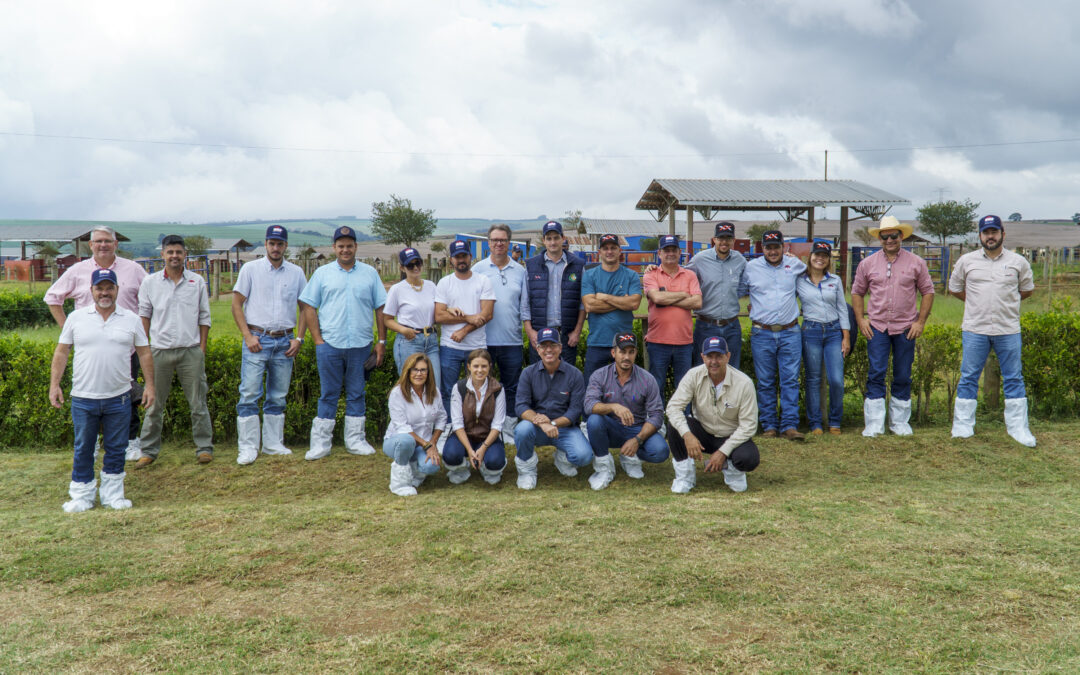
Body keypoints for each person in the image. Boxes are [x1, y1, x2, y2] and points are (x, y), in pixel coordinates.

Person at [49, 269, 155, 511]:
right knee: (84, 446)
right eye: (100, 288)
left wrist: (149, 385)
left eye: (109, 288)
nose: (104, 293)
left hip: (119, 398)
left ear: (117, 290)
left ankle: (113, 495)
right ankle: (81, 495)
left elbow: (144, 352)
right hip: (84, 398)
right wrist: (54, 384)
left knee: (117, 447)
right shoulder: (76, 318)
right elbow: (62, 351)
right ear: (91, 291)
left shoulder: (131, 319)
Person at [44, 225, 148, 460]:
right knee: (90, 396)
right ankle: (92, 442)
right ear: (90, 245)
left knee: (127, 396)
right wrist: (68, 330)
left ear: (116, 244)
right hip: (88, 349)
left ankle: (131, 441)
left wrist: (143, 332)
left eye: (107, 241)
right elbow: (52, 297)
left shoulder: (133, 269)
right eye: (98, 241)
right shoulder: (77, 271)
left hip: (125, 346)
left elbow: (151, 298)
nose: (103, 245)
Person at [299, 225, 387, 460]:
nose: (345, 250)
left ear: (356, 247)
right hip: (330, 344)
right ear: (334, 248)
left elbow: (380, 308)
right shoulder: (322, 274)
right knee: (328, 393)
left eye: (349, 246)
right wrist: (317, 340)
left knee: (357, 393)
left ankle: (356, 440)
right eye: (341, 246)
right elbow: (308, 306)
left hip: (361, 345)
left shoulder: (370, 274)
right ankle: (320, 444)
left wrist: (381, 341)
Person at [948, 215, 1037, 446]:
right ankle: (962, 426)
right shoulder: (967, 261)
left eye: (994, 232)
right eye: (986, 232)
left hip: (1008, 329)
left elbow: (1026, 290)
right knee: (968, 377)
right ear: (980, 235)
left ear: (1002, 234)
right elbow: (955, 288)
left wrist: (1005, 303)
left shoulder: (1018, 262)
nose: (990, 236)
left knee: (1014, 377)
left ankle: (1018, 428)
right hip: (975, 329)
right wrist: (976, 303)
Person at [133, 235, 213, 467]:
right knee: (154, 404)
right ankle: (148, 451)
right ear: (163, 255)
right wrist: (144, 348)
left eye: (178, 252)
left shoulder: (196, 282)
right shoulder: (151, 282)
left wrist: (202, 348)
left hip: (190, 351)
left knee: (198, 402)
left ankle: (204, 448)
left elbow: (204, 316)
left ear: (185, 254)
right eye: (170, 252)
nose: (174, 256)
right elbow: (144, 315)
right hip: (159, 351)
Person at [231, 224, 308, 465]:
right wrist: (247, 336)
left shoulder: (296, 273)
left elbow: (305, 307)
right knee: (250, 393)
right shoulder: (250, 269)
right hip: (257, 339)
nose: (276, 248)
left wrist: (299, 338)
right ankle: (248, 447)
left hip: (285, 341)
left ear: (286, 246)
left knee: (278, 396)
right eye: (272, 243)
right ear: (265, 244)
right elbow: (236, 304)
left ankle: (273, 444)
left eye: (280, 244)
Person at [851, 216, 934, 437]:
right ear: (879, 238)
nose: (889, 239)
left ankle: (899, 423)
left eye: (893, 235)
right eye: (885, 236)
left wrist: (920, 322)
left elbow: (928, 292)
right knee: (876, 372)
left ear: (901, 236)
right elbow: (857, 292)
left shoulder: (916, 262)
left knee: (903, 374)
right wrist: (861, 319)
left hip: (906, 327)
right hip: (877, 326)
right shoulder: (867, 264)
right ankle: (875, 424)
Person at [665, 336, 760, 494]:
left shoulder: (744, 383)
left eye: (719, 356)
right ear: (702, 357)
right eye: (709, 357)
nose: (714, 362)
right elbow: (673, 407)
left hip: (730, 435)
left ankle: (731, 470)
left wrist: (723, 452)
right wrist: (687, 435)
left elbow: (749, 426)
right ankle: (685, 476)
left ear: (728, 356)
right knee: (675, 426)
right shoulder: (693, 375)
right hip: (703, 432)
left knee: (749, 458)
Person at [738, 230, 806, 441]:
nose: (773, 251)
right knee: (765, 381)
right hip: (762, 332)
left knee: (790, 380)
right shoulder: (751, 268)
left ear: (784, 247)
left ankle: (789, 425)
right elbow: (739, 290)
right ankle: (769, 425)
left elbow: (813, 277)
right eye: (768, 247)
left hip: (790, 331)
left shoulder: (796, 265)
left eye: (776, 246)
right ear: (762, 248)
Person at [583, 332, 667, 490]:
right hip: (610, 428)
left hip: (637, 428)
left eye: (631, 352)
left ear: (636, 353)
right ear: (613, 353)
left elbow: (657, 415)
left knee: (660, 452)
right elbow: (589, 405)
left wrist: (637, 440)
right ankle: (603, 469)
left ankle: (630, 456)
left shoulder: (647, 379)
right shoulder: (599, 375)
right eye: (622, 352)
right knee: (594, 420)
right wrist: (613, 406)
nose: (626, 357)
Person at [513, 328, 592, 489]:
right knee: (522, 430)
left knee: (584, 457)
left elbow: (575, 410)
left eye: (553, 345)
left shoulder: (575, 374)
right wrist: (542, 423)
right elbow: (521, 406)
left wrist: (553, 424)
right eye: (544, 346)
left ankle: (562, 457)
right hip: (535, 427)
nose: (549, 350)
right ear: (537, 348)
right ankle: (526, 470)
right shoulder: (528, 373)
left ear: (560, 348)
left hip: (564, 428)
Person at [473, 224, 526, 441]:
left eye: (503, 240)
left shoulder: (520, 271)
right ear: (488, 243)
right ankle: (485, 429)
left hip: (512, 340)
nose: (499, 244)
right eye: (495, 240)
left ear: (509, 243)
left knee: (511, 387)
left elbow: (525, 306)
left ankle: (509, 431)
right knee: (483, 388)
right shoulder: (478, 270)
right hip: (483, 340)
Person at [434, 240, 495, 421]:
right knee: (448, 391)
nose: (461, 260)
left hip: (477, 347)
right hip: (449, 347)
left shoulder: (483, 281)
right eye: (457, 256)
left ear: (470, 257)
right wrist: (469, 317)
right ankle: (449, 427)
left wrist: (464, 331)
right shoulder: (444, 283)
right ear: (451, 259)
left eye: (464, 256)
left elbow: (487, 314)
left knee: (479, 390)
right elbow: (439, 316)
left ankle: (478, 427)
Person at [796, 241, 851, 435]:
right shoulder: (799, 280)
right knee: (813, 379)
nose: (820, 258)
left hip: (834, 332)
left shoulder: (834, 280)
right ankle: (815, 423)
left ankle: (835, 421)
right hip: (811, 330)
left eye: (824, 256)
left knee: (836, 379)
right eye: (817, 254)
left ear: (828, 260)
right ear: (810, 257)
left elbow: (842, 309)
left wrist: (846, 336)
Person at [642, 234, 702, 393]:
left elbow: (697, 302)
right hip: (657, 341)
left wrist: (666, 298)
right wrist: (683, 294)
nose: (670, 253)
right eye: (666, 250)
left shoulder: (690, 275)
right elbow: (656, 297)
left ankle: (684, 417)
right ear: (659, 253)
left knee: (684, 386)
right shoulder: (651, 274)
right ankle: (657, 418)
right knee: (657, 385)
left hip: (684, 342)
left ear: (679, 252)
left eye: (673, 250)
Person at [520, 220, 585, 364]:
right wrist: (530, 332)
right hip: (540, 335)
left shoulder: (578, 265)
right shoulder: (531, 266)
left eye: (556, 237)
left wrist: (577, 331)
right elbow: (525, 303)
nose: (553, 242)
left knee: (566, 379)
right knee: (539, 379)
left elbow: (582, 303)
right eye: (548, 238)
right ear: (543, 241)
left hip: (566, 336)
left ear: (563, 238)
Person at [581, 233, 642, 383]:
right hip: (597, 342)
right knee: (592, 388)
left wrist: (604, 297)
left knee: (625, 387)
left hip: (624, 344)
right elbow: (589, 305)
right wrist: (622, 301)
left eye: (613, 248)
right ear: (599, 252)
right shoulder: (589, 275)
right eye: (605, 248)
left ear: (619, 251)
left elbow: (634, 304)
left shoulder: (631, 275)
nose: (609, 251)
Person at [383, 353, 446, 496]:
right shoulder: (397, 393)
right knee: (407, 440)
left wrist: (433, 443)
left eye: (423, 370)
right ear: (408, 371)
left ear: (428, 372)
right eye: (415, 369)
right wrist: (427, 445)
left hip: (423, 443)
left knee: (432, 466)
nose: (419, 373)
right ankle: (399, 484)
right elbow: (402, 427)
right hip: (398, 442)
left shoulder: (434, 391)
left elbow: (442, 418)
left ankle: (414, 474)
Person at [687, 221, 747, 369]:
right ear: (714, 239)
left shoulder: (740, 260)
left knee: (732, 370)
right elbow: (683, 278)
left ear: (734, 240)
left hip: (732, 325)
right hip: (706, 325)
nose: (724, 242)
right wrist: (655, 269)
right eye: (721, 238)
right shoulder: (699, 259)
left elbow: (743, 286)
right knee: (702, 370)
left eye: (728, 238)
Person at [445, 349, 508, 485]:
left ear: (490, 367)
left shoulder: (498, 389)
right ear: (468, 366)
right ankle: (461, 469)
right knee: (451, 455)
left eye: (484, 366)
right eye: (476, 366)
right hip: (464, 435)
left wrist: (483, 448)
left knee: (495, 461)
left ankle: (486, 466)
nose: (480, 370)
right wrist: (469, 449)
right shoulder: (459, 388)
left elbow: (498, 424)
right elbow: (457, 423)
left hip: (487, 436)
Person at [384, 247, 440, 388]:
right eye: (410, 265)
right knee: (412, 387)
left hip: (431, 340)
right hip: (410, 341)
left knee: (435, 386)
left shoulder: (431, 286)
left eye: (418, 263)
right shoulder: (396, 289)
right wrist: (403, 330)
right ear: (402, 268)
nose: (415, 268)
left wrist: (452, 309)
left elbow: (439, 309)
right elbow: (387, 319)